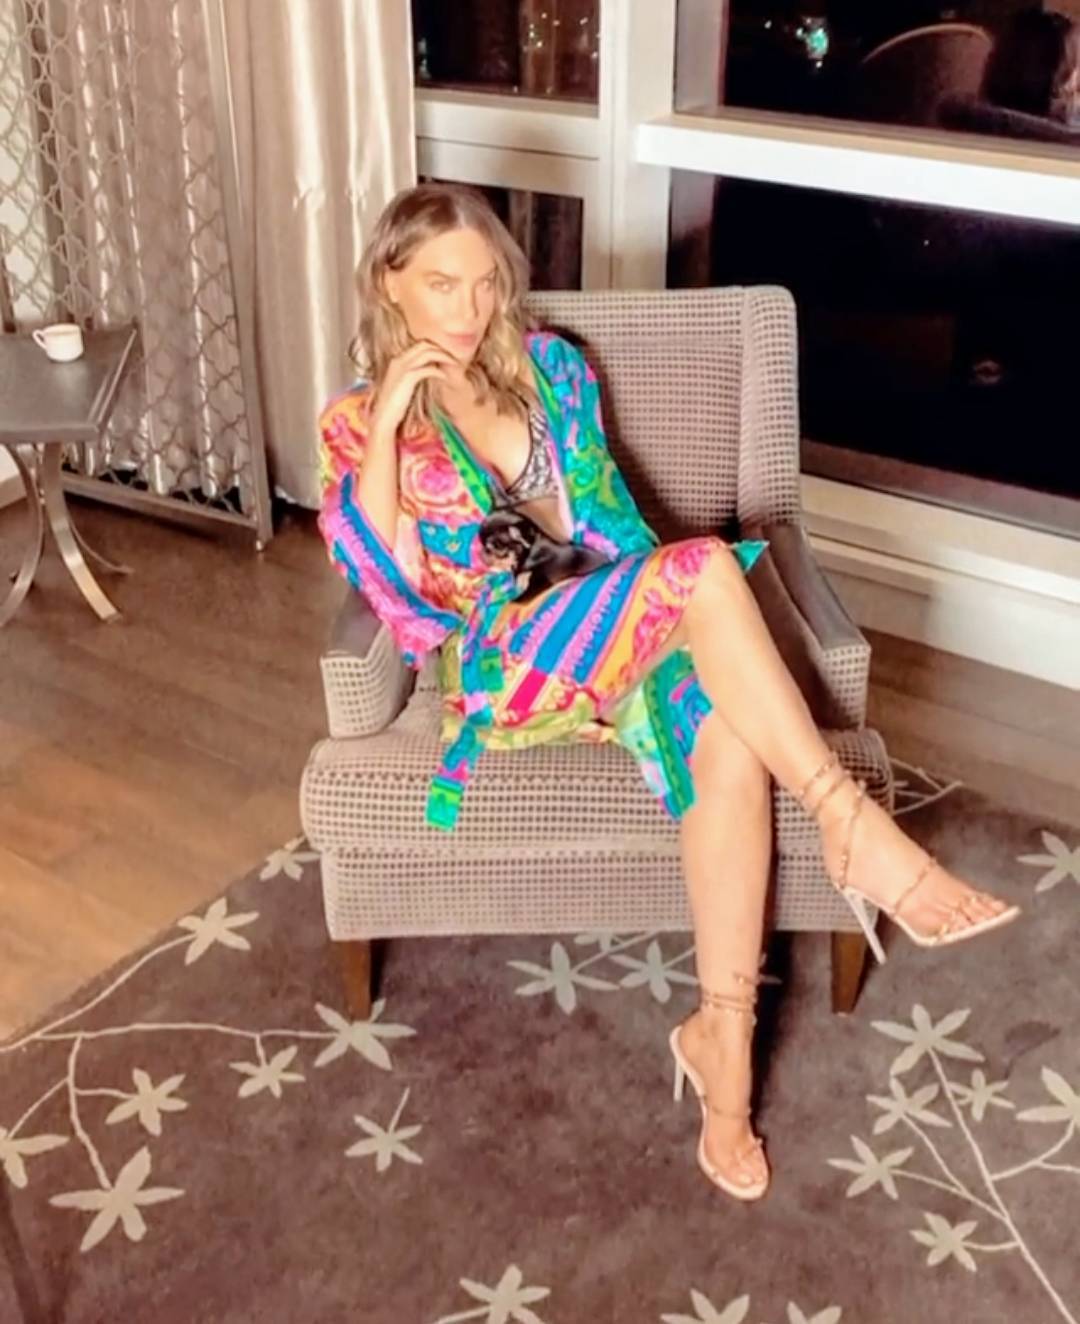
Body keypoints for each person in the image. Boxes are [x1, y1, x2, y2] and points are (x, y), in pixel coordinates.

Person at [317, 182, 1021, 1204]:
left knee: (726, 733)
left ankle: (721, 1051)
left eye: (484, 283)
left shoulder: (551, 367)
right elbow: (389, 587)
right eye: (440, 285)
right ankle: (848, 822)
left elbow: (610, 523)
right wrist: (388, 424)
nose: (469, 309)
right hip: (510, 658)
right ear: (390, 283)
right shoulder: (356, 422)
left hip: (614, 620)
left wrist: (659, 621)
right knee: (703, 572)